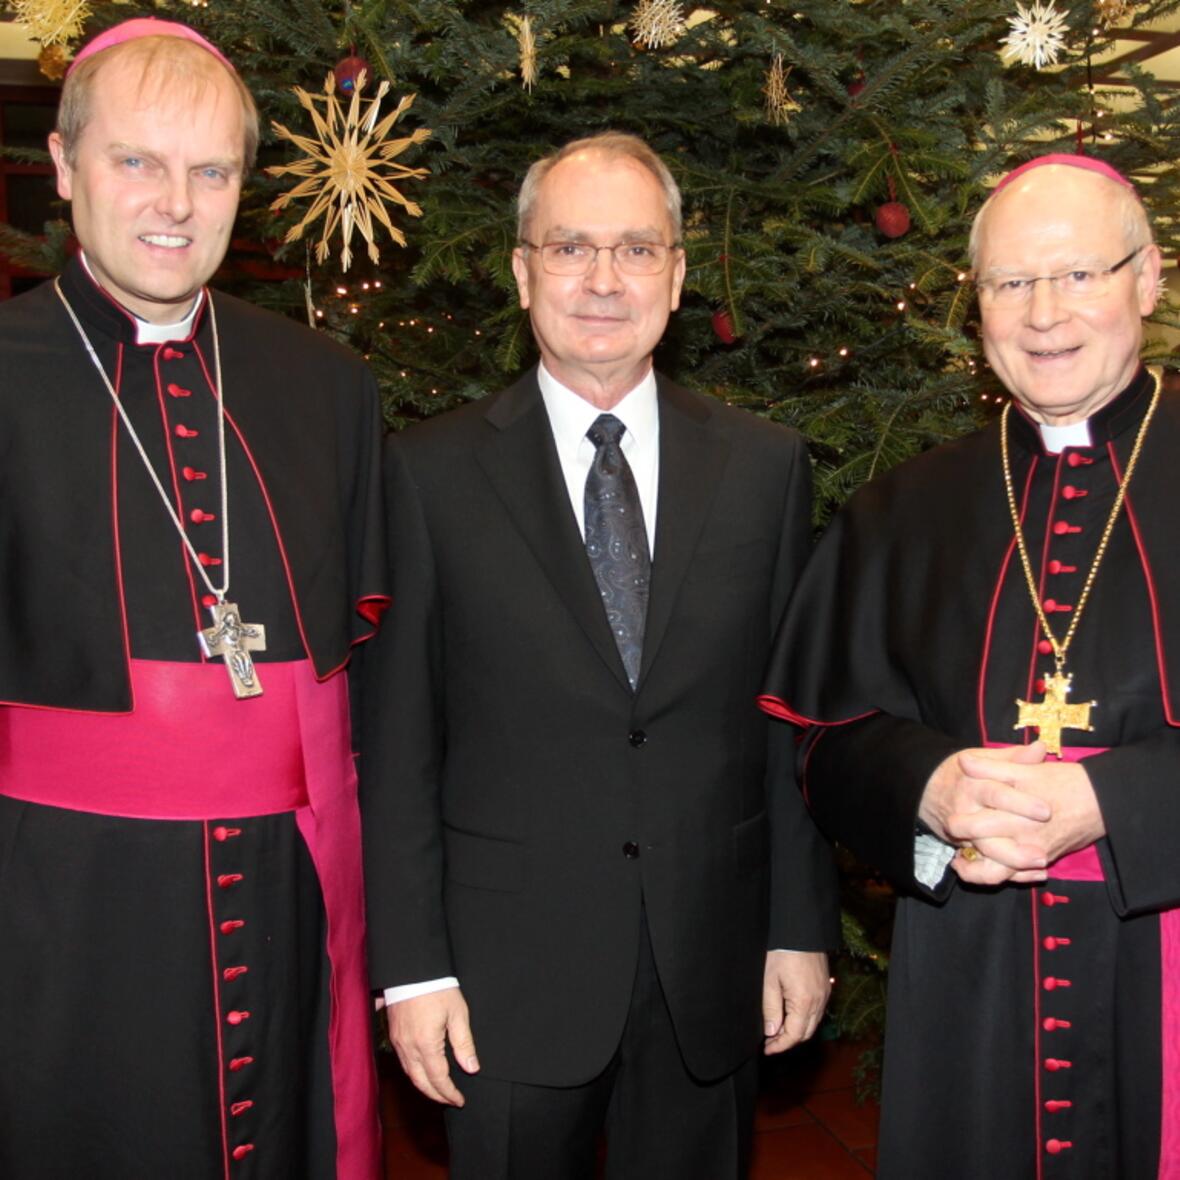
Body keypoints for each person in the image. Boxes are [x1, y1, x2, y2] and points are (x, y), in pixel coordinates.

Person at [361, 131, 839, 1178]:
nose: (602, 279)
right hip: (503, 980)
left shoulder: (764, 470)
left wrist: (796, 928)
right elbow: (397, 746)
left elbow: (786, 723)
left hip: (707, 969)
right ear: (522, 268)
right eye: (571, 246)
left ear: (676, 273)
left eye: (635, 248)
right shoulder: (425, 475)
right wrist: (411, 971)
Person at [0, 19, 387, 1178]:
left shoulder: (326, 387)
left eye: (211, 170)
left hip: (287, 897)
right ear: (64, 169)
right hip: (60, 911)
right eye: (137, 162)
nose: (176, 202)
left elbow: (375, 681)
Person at [760, 153, 1176, 1178]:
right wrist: (928, 786)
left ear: (1148, 279)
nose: (1043, 313)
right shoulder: (904, 509)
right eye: (1009, 282)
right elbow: (819, 741)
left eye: (1078, 273)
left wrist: (1119, 799)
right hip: (970, 973)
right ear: (975, 303)